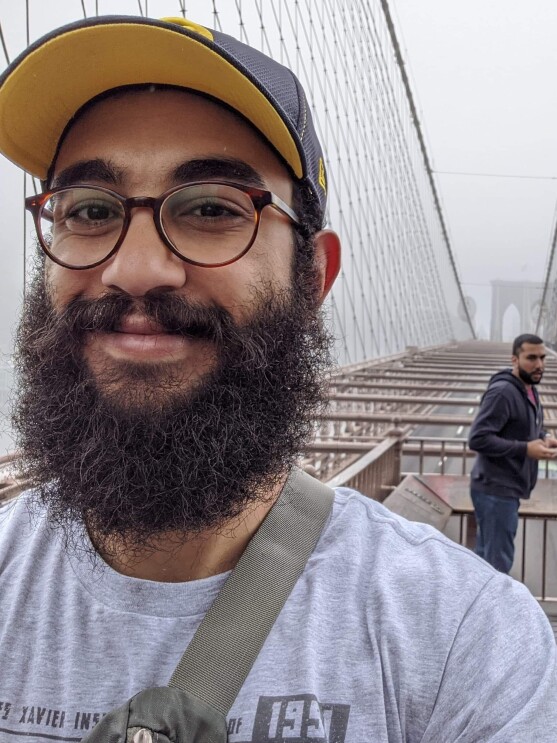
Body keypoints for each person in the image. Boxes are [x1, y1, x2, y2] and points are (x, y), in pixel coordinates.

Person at [0, 15, 555, 743]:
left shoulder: (467, 646)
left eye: (210, 209)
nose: (133, 269)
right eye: (91, 210)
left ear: (313, 276)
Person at [468, 333, 557, 573]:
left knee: (485, 561)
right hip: (496, 490)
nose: (539, 364)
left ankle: (473, 597)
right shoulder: (503, 393)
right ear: (515, 360)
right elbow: (478, 438)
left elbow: (527, 426)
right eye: (531, 358)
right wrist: (526, 449)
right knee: (497, 565)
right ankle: (490, 600)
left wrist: (545, 437)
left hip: (504, 489)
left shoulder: (529, 388)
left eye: (542, 358)